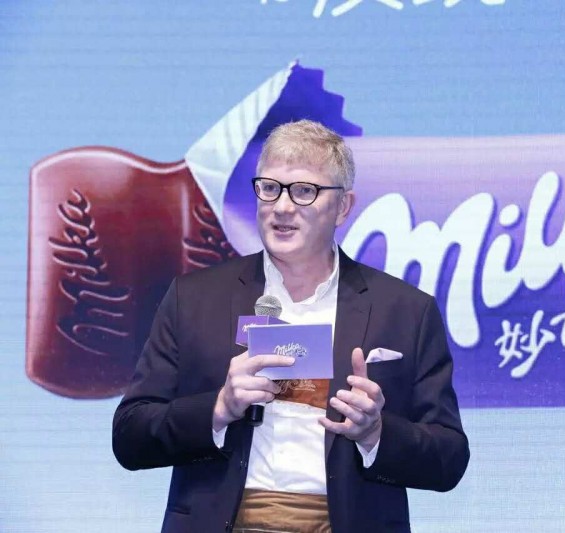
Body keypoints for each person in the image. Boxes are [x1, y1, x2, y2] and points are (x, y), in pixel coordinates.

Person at [112, 119, 470, 532]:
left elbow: (449, 459)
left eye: (304, 191)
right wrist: (219, 408)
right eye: (270, 188)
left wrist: (375, 433)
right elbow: (130, 435)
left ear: (343, 206)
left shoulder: (405, 310)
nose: (282, 207)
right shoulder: (194, 299)